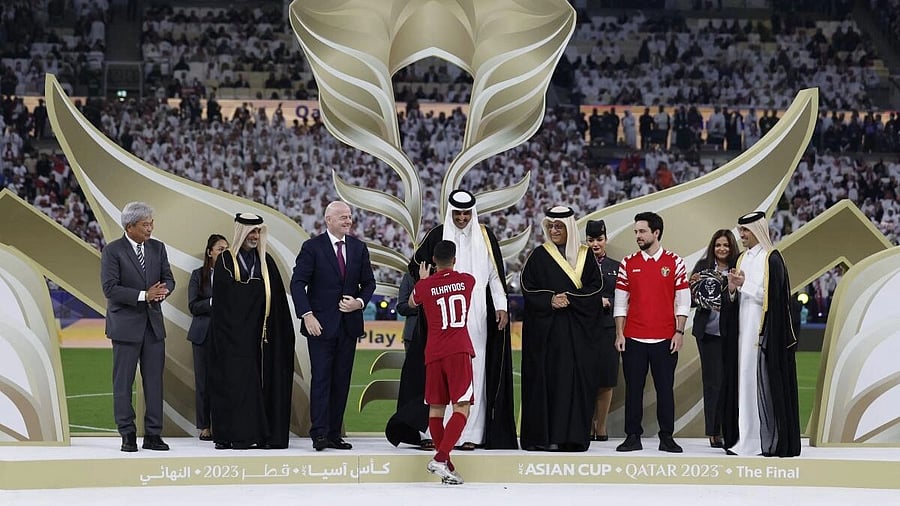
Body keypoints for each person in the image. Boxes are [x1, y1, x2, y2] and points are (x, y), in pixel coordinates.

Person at [388, 189, 517, 451]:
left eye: (466, 213)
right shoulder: (437, 235)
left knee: (476, 371)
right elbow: (416, 266)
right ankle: (438, 436)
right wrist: (431, 280)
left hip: (478, 314)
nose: (461, 217)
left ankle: (471, 434)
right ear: (450, 212)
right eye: (457, 213)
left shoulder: (485, 236)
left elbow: (495, 276)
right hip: (441, 317)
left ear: (473, 212)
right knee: (437, 377)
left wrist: (501, 306)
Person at [291, 201, 376, 451]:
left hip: (348, 327)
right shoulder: (312, 247)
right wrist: (307, 315)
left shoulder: (359, 248)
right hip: (320, 326)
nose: (348, 221)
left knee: (342, 381)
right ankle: (318, 433)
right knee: (321, 380)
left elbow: (369, 283)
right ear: (328, 219)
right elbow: (297, 284)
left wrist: (359, 302)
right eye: (343, 217)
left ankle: (334, 433)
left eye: (349, 217)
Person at [208, 213, 295, 450]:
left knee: (265, 382)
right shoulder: (226, 261)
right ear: (241, 233)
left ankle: (265, 435)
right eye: (251, 232)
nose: (255, 236)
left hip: (263, 340)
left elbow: (276, 300)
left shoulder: (266, 262)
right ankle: (236, 435)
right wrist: (255, 294)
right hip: (235, 340)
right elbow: (227, 302)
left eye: (258, 232)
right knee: (237, 385)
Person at [520, 206, 603, 452]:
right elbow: (527, 288)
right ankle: (544, 438)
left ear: (569, 228)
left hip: (577, 335)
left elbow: (595, 288)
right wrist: (550, 299)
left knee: (574, 384)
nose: (554, 231)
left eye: (559, 226)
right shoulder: (538, 255)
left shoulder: (586, 255)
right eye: (551, 227)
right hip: (547, 336)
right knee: (548, 383)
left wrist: (570, 298)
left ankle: (572, 437)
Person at [721, 211, 801, 457]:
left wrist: (746, 286)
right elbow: (734, 297)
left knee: (763, 385)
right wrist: (733, 289)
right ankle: (745, 439)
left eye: (745, 231)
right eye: (741, 231)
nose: (741, 235)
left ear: (756, 231)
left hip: (765, 334)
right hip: (742, 332)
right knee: (744, 384)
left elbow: (776, 298)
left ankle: (767, 440)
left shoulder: (772, 258)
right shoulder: (742, 258)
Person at [100, 201, 174, 452]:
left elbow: (169, 279)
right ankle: (127, 434)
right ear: (130, 226)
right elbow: (110, 289)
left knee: (154, 383)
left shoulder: (158, 248)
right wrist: (144, 295)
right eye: (146, 224)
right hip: (125, 327)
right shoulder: (113, 251)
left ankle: (153, 434)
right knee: (123, 383)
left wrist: (163, 292)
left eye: (151, 223)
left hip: (153, 327)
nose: (151, 228)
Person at [614, 211, 689, 453]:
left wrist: (679, 332)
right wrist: (620, 333)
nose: (637, 235)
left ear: (656, 233)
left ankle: (667, 437)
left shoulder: (675, 262)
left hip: (666, 338)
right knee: (633, 390)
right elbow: (620, 302)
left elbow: (683, 301)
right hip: (633, 337)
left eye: (642, 231)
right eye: (636, 231)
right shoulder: (628, 263)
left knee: (665, 389)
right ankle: (632, 436)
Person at [410, 240, 476, 485]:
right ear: (455, 260)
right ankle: (440, 458)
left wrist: (423, 279)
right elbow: (461, 284)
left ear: (434, 261)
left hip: (434, 352)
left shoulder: (425, 286)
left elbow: (411, 302)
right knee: (461, 407)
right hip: (458, 350)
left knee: (436, 409)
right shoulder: (468, 281)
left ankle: (446, 465)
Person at [689, 229, 739, 449]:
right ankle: (713, 431)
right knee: (713, 383)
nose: (722, 249)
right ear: (713, 246)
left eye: (726, 245)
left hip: (732, 334)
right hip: (708, 335)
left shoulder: (740, 267)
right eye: (718, 245)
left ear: (732, 248)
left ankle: (732, 429)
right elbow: (691, 301)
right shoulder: (702, 267)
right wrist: (692, 287)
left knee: (732, 382)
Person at [187, 233, 228, 442]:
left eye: (226, 249)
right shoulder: (197, 275)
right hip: (203, 335)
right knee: (203, 381)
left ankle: (223, 423)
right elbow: (193, 306)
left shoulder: (233, 274)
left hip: (226, 336)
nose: (224, 253)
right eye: (220, 249)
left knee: (225, 381)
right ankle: (204, 426)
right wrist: (213, 302)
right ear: (209, 252)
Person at [585, 219, 620, 442]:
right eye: (591, 240)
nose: (595, 244)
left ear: (606, 240)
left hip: (608, 329)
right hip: (584, 330)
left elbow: (627, 298)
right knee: (585, 379)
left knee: (606, 379)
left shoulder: (617, 267)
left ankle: (602, 427)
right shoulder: (576, 266)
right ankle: (586, 425)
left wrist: (610, 302)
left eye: (599, 239)